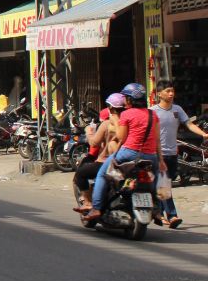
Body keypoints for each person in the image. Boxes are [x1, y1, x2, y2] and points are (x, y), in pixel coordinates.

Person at [85, 83, 161, 225]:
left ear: (130, 100)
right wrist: (160, 160)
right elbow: (157, 139)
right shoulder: (153, 114)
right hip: (151, 155)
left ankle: (96, 208)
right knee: (155, 178)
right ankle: (158, 209)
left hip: (129, 153)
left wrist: (114, 119)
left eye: (126, 97)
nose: (125, 100)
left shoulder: (126, 114)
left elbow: (121, 137)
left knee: (102, 174)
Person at [152, 82, 208, 228]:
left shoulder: (177, 109)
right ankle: (172, 215)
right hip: (158, 153)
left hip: (172, 153)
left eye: (173, 91)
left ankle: (158, 212)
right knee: (164, 185)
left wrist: (204, 134)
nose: (171, 94)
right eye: (168, 91)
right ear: (159, 94)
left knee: (165, 184)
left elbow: (189, 124)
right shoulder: (152, 112)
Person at [73, 93, 124, 213]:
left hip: (107, 161)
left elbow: (94, 143)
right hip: (126, 160)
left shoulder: (107, 124)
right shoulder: (128, 122)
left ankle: (87, 202)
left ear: (111, 108)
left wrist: (88, 132)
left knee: (80, 174)